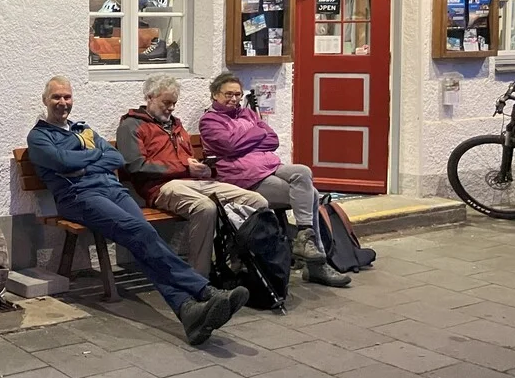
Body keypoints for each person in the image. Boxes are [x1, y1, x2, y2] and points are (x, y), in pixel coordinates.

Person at [27, 76, 249, 346]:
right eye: (56, 98)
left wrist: (84, 163)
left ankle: (188, 312)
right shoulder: (39, 136)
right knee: (141, 231)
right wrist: (93, 158)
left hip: (113, 192)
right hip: (79, 197)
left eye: (67, 97)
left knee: (141, 238)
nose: (62, 103)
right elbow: (62, 161)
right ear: (45, 100)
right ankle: (203, 289)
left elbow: (116, 158)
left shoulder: (82, 128)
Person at [198, 71, 351, 287]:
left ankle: (304, 238)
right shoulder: (209, 121)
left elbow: (272, 140)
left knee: (303, 172)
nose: (233, 99)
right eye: (228, 94)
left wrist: (248, 137)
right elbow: (230, 146)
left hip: (269, 166)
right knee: (312, 195)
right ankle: (316, 265)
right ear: (215, 95)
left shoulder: (247, 114)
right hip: (243, 177)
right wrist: (256, 133)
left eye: (237, 95)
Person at [116, 75, 269, 277]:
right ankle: (200, 277)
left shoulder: (176, 126)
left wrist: (207, 170)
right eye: (166, 103)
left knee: (256, 201)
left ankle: (240, 262)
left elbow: (189, 160)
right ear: (150, 98)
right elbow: (135, 166)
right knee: (205, 208)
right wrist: (184, 168)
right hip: (161, 188)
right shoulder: (132, 125)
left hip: (195, 182)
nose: (171, 108)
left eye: (174, 103)